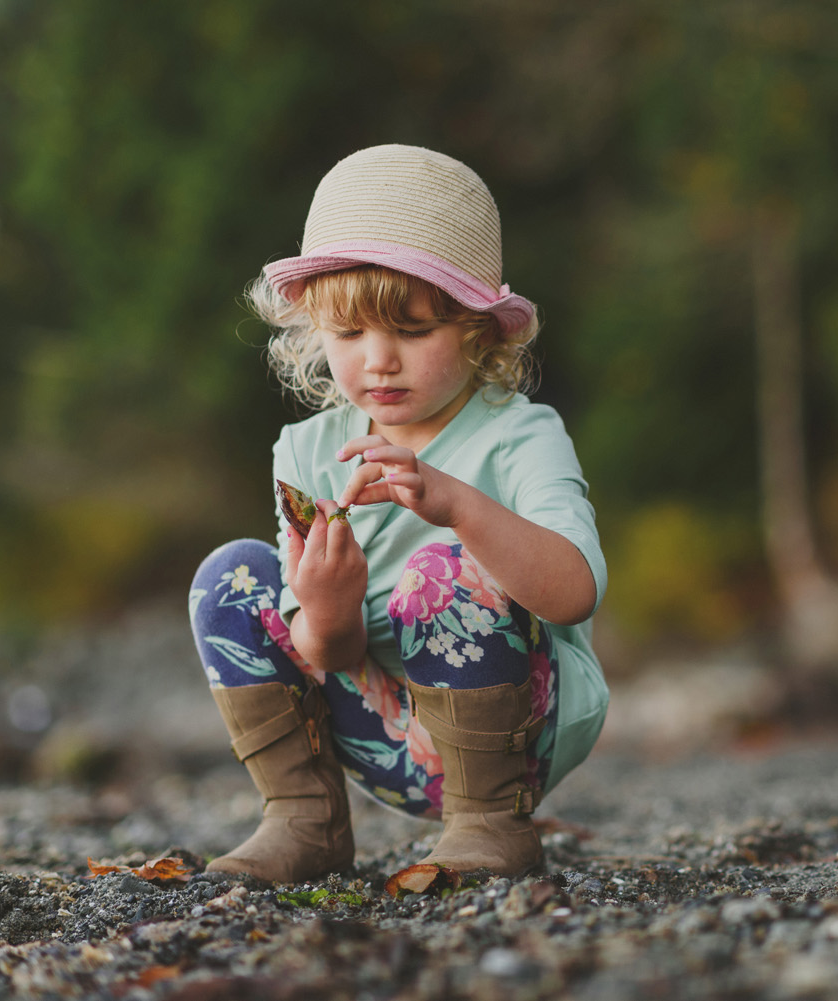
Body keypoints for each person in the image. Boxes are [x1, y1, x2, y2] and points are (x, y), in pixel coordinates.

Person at [187, 145, 608, 883]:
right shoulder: (309, 451)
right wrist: (325, 608)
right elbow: (328, 655)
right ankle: (302, 818)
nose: (378, 361)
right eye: (349, 334)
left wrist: (457, 506)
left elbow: (575, 591)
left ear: (480, 328)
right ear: (314, 329)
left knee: (437, 570)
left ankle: (489, 825)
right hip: (381, 737)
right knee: (229, 576)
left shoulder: (519, 435)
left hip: (518, 736)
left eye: (411, 331)